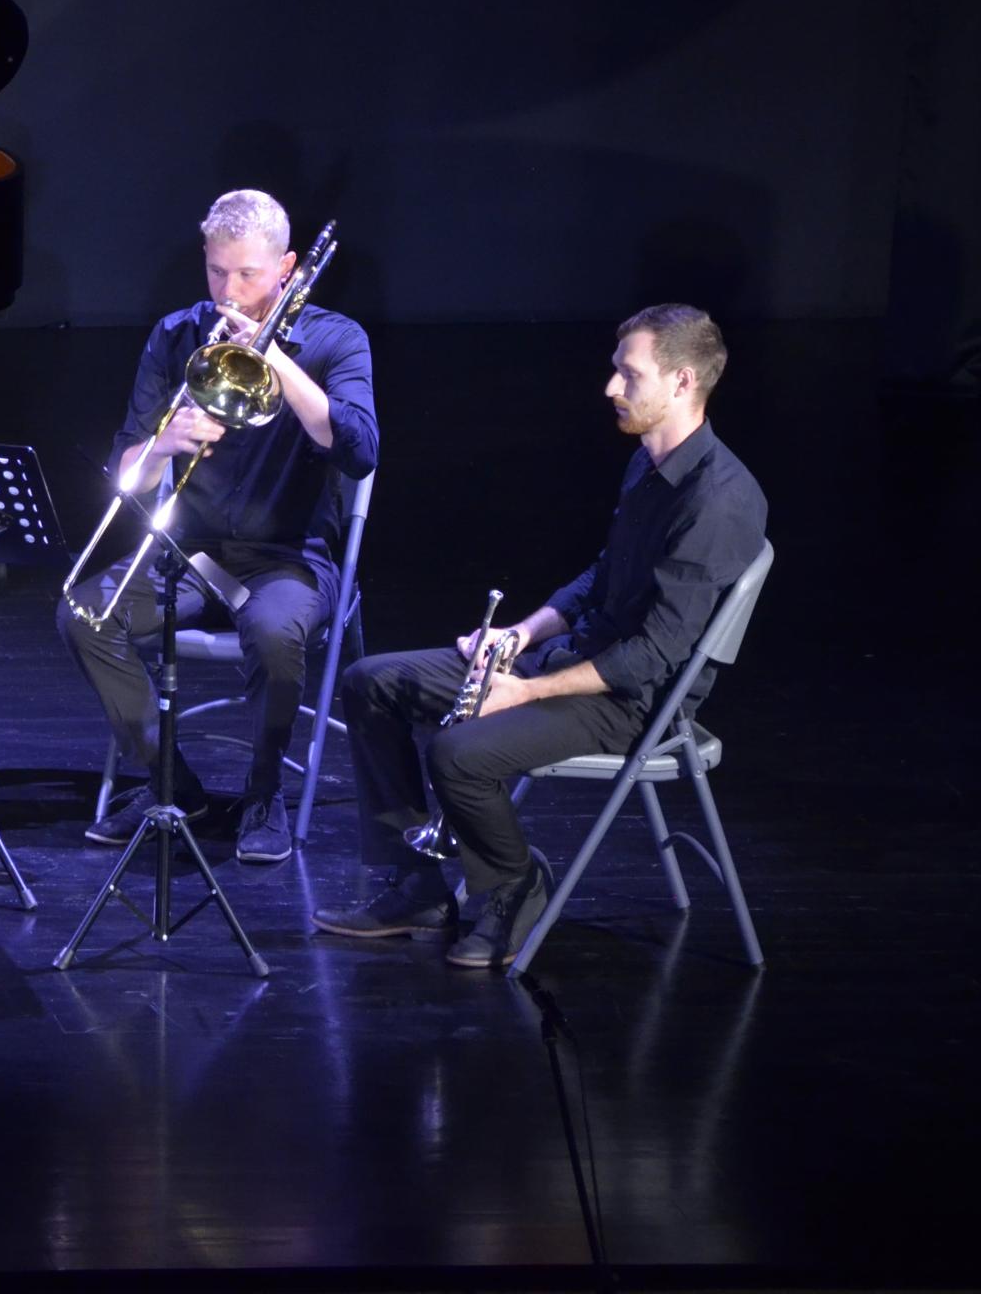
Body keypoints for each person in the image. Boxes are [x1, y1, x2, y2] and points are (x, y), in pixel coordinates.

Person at [315, 304, 767, 968]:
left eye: (629, 375)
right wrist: (521, 637)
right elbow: (603, 575)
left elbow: (654, 655)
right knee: (372, 683)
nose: (611, 387)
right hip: (576, 661)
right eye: (615, 370)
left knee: (457, 751)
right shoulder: (647, 463)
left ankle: (515, 886)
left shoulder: (718, 500)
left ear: (682, 382)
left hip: (632, 703)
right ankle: (419, 887)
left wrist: (523, 693)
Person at [58, 188, 378, 863]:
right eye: (216, 271)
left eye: (248, 275)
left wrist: (275, 358)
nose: (229, 292)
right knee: (83, 615)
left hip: (290, 556)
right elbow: (126, 471)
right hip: (189, 553)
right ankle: (170, 782)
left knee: (273, 632)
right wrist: (165, 443)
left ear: (286, 268)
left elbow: (358, 450)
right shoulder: (177, 336)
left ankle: (265, 795)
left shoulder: (337, 339)